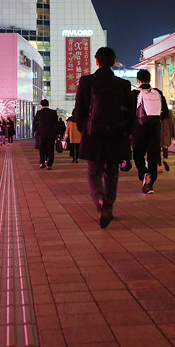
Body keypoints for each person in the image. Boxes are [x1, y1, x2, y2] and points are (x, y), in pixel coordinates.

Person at [72, 47, 133, 229]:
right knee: (112, 173)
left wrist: (85, 129)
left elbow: (80, 111)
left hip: (94, 134)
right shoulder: (123, 85)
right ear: (114, 63)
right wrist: (125, 134)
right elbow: (128, 114)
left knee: (94, 172)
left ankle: (100, 200)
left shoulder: (86, 81)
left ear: (96, 62)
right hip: (115, 135)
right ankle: (109, 206)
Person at [131, 69, 169, 194]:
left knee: (138, 154)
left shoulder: (134, 94)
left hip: (139, 130)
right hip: (154, 130)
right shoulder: (158, 93)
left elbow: (129, 114)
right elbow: (165, 114)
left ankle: (143, 173)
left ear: (138, 80)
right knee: (153, 156)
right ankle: (150, 185)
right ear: (150, 79)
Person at [33, 99, 59, 169]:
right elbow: (56, 123)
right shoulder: (53, 112)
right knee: (50, 149)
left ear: (41, 105)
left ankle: (42, 163)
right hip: (51, 133)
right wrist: (57, 133)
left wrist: (35, 131)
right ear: (48, 104)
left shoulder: (39, 113)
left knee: (42, 148)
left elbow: (35, 122)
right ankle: (49, 164)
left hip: (41, 133)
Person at [159, 105, 175, 174]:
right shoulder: (170, 114)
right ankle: (165, 159)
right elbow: (172, 124)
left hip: (158, 133)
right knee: (165, 148)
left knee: (157, 150)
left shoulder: (156, 113)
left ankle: (160, 167)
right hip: (167, 133)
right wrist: (173, 134)